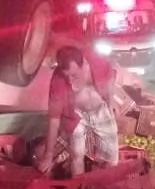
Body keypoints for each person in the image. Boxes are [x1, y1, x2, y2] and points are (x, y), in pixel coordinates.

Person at [36, 45, 120, 177]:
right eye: (67, 76)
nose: (70, 80)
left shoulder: (98, 61)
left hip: (100, 109)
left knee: (111, 156)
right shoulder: (58, 80)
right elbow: (54, 119)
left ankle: (105, 185)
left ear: (84, 64)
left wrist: (111, 100)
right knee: (76, 154)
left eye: (74, 75)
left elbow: (110, 77)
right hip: (75, 115)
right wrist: (48, 155)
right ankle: (79, 187)